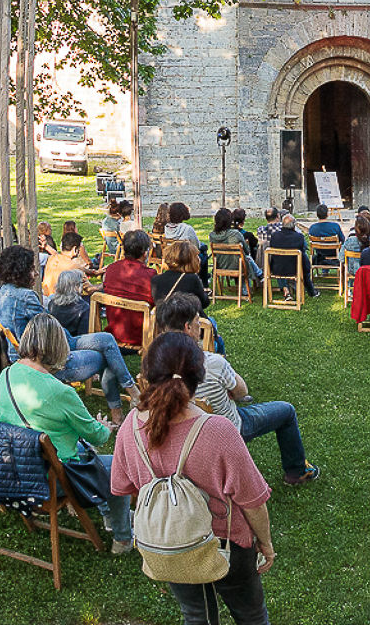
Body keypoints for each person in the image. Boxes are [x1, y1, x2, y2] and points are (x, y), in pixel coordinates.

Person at [110, 333, 276, 625]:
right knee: (251, 616)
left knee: (197, 615)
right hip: (225, 544)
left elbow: (123, 487)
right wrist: (266, 544)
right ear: (199, 377)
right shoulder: (218, 430)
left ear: (146, 376)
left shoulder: (130, 428)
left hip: (169, 542)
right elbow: (253, 501)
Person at [0, 315, 134, 551]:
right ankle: (122, 538)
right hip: (52, 478)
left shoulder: (3, 377)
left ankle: (109, 513)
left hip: (15, 473)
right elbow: (97, 436)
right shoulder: (59, 392)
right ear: (58, 346)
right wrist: (105, 428)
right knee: (121, 465)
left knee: (85, 451)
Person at [152, 293, 319, 486]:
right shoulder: (211, 363)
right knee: (286, 411)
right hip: (225, 430)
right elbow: (242, 393)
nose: (200, 326)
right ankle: (297, 472)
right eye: (198, 322)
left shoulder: (154, 364)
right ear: (188, 328)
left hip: (177, 434)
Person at [0, 245, 138, 414]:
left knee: (107, 339)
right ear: (20, 272)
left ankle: (133, 392)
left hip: (36, 350)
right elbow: (50, 329)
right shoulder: (26, 297)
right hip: (49, 359)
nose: (35, 273)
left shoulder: (1, 291)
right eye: (32, 270)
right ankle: (120, 410)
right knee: (107, 355)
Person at [100, 230, 157, 348]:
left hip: (114, 333)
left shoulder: (111, 269)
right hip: (141, 336)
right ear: (145, 253)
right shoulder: (150, 275)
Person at [151, 241, 211, 316]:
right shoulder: (191, 279)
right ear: (190, 260)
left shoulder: (155, 280)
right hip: (187, 321)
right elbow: (204, 303)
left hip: (165, 322)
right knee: (212, 323)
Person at [264, 213, 316, 298]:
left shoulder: (274, 236)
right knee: (304, 258)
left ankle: (286, 289)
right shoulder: (299, 237)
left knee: (281, 260)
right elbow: (304, 249)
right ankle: (311, 291)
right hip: (295, 269)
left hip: (277, 269)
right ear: (294, 226)